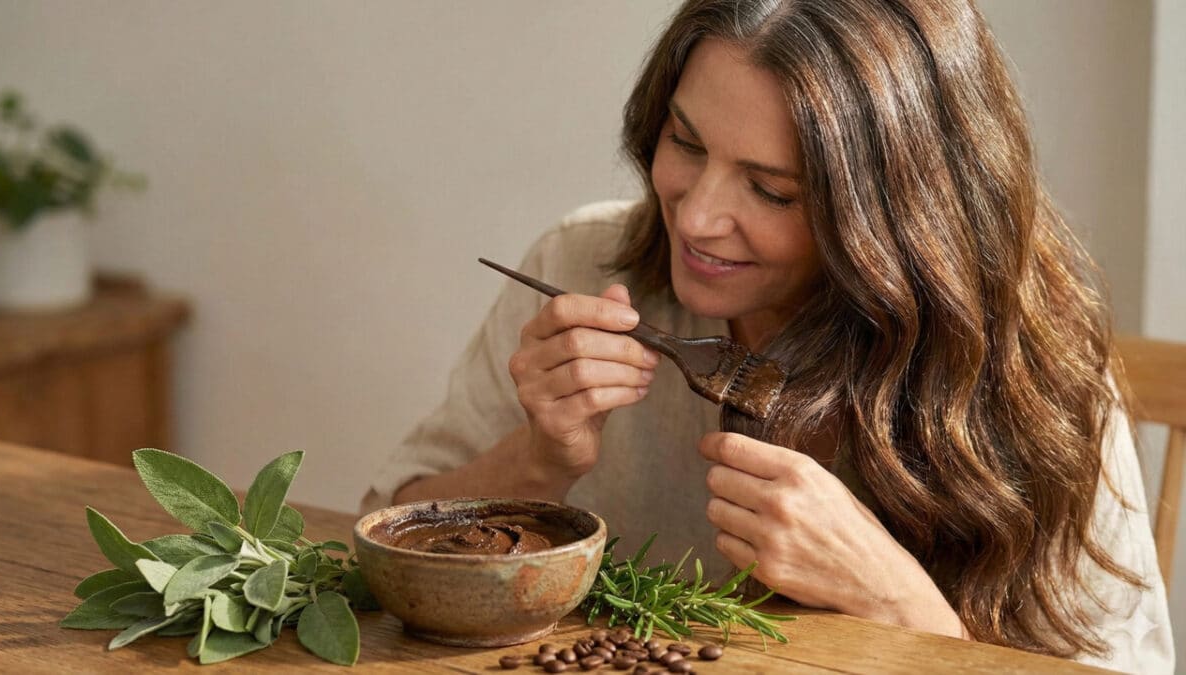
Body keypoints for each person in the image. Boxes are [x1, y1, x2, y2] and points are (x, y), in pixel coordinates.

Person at [361, 0, 1174, 671]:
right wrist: (538, 461)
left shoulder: (1019, 361)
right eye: (686, 142)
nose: (699, 215)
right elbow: (379, 538)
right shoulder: (583, 265)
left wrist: (900, 604)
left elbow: (1120, 659)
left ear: (896, 220)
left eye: (772, 190)